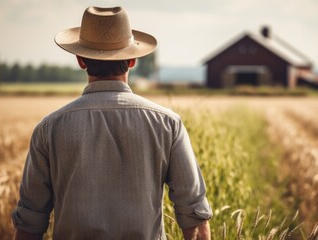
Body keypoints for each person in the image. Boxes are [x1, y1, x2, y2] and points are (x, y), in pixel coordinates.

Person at [11, 6, 212, 240]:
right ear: (133, 60)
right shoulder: (167, 123)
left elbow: (30, 222)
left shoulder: (49, 128)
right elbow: (194, 217)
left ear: (80, 60)